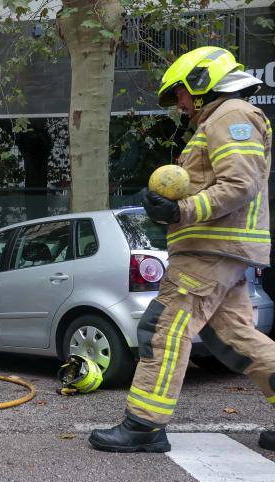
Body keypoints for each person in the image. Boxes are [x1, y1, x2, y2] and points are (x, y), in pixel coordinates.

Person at [90, 46, 275, 453]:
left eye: (180, 94)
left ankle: (143, 426)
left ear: (201, 81)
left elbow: (239, 185)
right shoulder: (224, 119)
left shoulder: (231, 115)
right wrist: (164, 203)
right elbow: (222, 182)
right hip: (222, 248)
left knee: (164, 328)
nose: (180, 104)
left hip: (211, 248)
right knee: (236, 340)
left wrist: (181, 209)